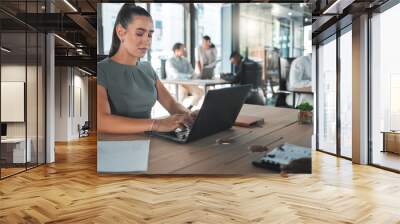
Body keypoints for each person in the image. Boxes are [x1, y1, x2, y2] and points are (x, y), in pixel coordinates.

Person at [97, 4, 196, 134]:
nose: (147, 40)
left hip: (148, 141)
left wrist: (190, 115)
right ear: (121, 32)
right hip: (116, 144)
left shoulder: (147, 68)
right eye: (139, 33)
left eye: (150, 34)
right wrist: (156, 124)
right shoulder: (101, 70)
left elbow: (171, 105)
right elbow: (101, 121)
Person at [166, 43, 204, 109]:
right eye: (183, 49)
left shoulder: (185, 60)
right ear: (176, 50)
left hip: (186, 83)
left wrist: (198, 75)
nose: (184, 50)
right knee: (183, 92)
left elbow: (192, 71)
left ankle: (189, 108)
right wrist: (189, 76)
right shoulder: (170, 61)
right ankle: (177, 110)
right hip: (175, 83)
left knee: (200, 92)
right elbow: (176, 75)